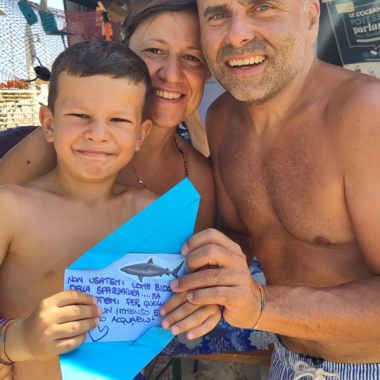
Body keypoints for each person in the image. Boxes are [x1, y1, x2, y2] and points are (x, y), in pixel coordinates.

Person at [160, 0, 380, 378]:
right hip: (286, 358)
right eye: (217, 14)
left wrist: (259, 304)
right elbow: (242, 234)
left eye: (262, 7)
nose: (237, 34)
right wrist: (213, 277)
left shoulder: (366, 116)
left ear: (310, 20)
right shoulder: (222, 118)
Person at [0, 40, 220, 380]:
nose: (98, 134)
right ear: (48, 122)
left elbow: (181, 300)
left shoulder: (154, 215)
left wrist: (199, 306)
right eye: (80, 116)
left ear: (140, 134)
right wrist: (18, 340)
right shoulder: (9, 210)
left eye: (118, 119)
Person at [0, 0, 215, 234]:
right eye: (154, 50)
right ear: (125, 52)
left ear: (208, 72)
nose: (172, 75)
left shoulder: (196, 178)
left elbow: (194, 266)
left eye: (192, 57)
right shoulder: (58, 144)